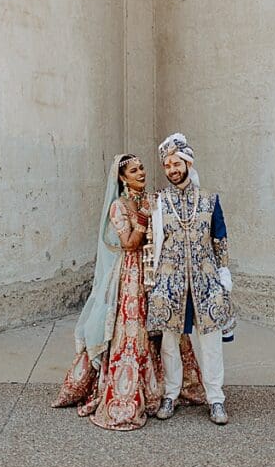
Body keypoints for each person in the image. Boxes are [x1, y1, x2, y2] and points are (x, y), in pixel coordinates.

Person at [52, 154, 205, 429]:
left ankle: (171, 387)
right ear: (122, 178)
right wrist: (145, 215)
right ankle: (127, 396)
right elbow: (129, 243)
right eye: (134, 170)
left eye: (142, 168)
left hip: (155, 273)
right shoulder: (118, 207)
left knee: (165, 329)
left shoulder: (152, 199)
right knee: (133, 332)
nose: (141, 173)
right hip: (131, 276)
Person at [149, 132, 236, 425]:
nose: (172, 170)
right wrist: (153, 282)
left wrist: (224, 274)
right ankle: (171, 394)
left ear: (188, 162)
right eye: (167, 166)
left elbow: (220, 238)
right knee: (169, 342)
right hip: (171, 283)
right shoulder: (160, 202)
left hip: (206, 282)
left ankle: (216, 399)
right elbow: (153, 241)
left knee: (209, 341)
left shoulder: (210, 200)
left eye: (176, 163)